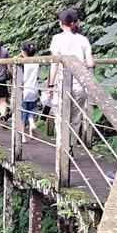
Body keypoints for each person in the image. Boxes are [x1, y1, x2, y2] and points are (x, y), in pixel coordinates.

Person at [48, 9, 95, 156]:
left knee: (60, 115)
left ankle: (62, 147)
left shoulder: (57, 38)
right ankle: (70, 146)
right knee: (75, 117)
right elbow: (91, 63)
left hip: (62, 83)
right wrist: (82, 63)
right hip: (80, 83)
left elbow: (55, 63)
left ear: (61, 23)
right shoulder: (83, 40)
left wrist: (50, 84)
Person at [20, 41, 40, 142]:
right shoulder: (36, 62)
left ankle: (22, 136)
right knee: (32, 109)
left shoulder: (21, 63)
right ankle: (32, 123)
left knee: (22, 113)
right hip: (34, 90)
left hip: (24, 90)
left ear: (23, 52)